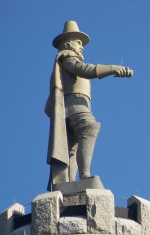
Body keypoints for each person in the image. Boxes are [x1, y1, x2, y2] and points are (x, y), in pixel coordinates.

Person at [45, 21, 132, 190]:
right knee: (89, 127)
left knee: (72, 145)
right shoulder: (68, 58)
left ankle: (67, 182)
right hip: (73, 105)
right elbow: (85, 69)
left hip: (74, 105)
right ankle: (84, 175)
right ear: (69, 43)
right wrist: (112, 68)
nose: (82, 47)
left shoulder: (69, 59)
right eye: (79, 42)